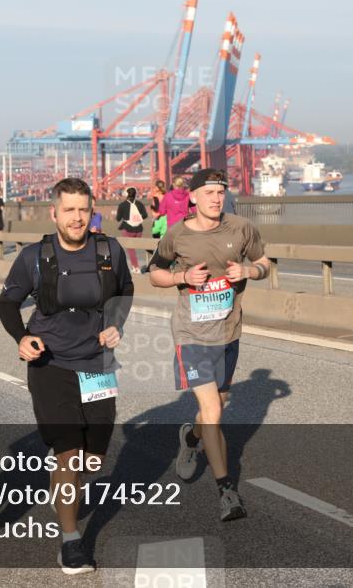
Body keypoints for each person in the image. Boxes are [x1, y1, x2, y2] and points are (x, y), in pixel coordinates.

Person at [0, 177, 134, 574]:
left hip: (97, 365)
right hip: (50, 364)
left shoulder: (109, 249)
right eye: (69, 210)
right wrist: (22, 337)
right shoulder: (35, 256)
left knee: (94, 458)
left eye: (83, 209)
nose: (77, 218)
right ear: (54, 213)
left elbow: (125, 289)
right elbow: (8, 302)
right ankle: (71, 540)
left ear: (92, 212)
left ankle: (64, 488)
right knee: (68, 452)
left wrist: (116, 324)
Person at [148, 168, 272, 522]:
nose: (216, 198)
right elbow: (155, 272)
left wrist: (249, 273)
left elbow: (264, 263)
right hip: (191, 335)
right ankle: (226, 492)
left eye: (221, 192)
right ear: (193, 197)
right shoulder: (178, 235)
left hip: (228, 332)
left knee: (217, 404)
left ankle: (190, 439)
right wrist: (182, 277)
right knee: (215, 412)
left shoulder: (242, 229)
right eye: (209, 193)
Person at [114, 187, 148, 270]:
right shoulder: (140, 204)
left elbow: (118, 218)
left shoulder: (122, 205)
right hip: (139, 230)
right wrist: (137, 219)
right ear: (135, 194)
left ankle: (135, 267)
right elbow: (145, 215)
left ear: (126, 194)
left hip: (127, 229)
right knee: (142, 246)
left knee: (131, 249)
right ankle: (148, 263)